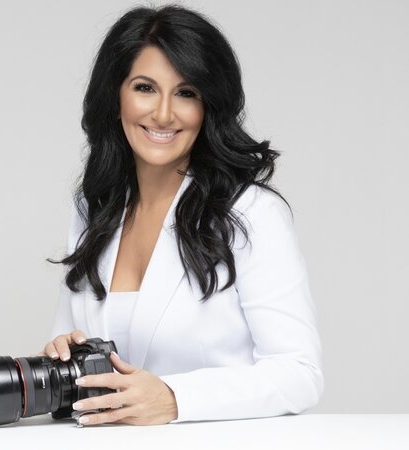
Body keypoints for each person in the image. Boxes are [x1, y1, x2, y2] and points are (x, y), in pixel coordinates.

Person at [39, 4, 324, 426]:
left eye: (186, 93)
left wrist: (175, 398)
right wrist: (62, 352)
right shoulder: (94, 207)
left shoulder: (250, 213)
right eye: (145, 88)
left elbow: (300, 374)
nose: (163, 114)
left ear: (208, 107)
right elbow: (67, 338)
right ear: (115, 98)